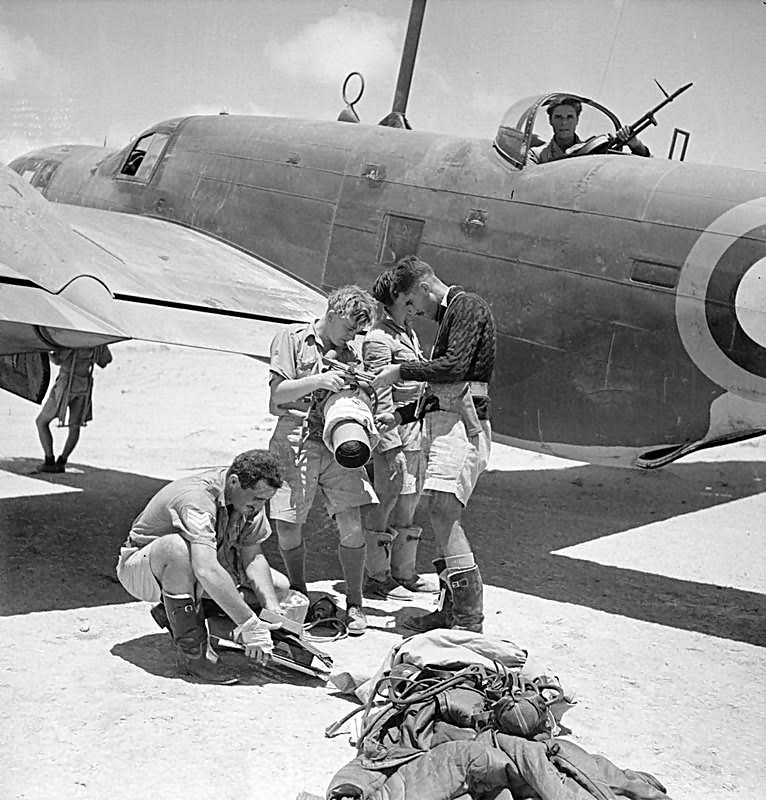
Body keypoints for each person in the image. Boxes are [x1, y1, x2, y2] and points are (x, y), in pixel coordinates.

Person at [372, 256, 496, 634]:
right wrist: (403, 415)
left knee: (443, 510)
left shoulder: (468, 306)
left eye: (412, 303)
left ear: (424, 288)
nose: (414, 312)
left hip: (464, 425)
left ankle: (467, 616)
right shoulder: (452, 315)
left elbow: (454, 369)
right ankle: (451, 608)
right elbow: (446, 387)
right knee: (440, 512)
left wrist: (400, 370)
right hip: (446, 421)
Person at [116, 449, 291, 685]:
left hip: (195, 570)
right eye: (257, 499)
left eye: (266, 500)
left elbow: (254, 558)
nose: (260, 507)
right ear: (233, 482)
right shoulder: (198, 499)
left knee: (278, 587)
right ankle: (195, 657)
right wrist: (249, 624)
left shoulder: (247, 502)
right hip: (142, 568)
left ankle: (175, 612)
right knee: (177, 549)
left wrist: (271, 611)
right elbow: (206, 570)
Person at [267, 285, 378, 636]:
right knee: (288, 525)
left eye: (358, 332)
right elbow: (277, 397)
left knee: (352, 524)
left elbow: (362, 400)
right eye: (348, 328)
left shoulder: (352, 353)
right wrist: (320, 380)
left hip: (337, 442)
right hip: (296, 440)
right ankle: (298, 592)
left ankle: (356, 604)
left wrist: (362, 391)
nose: (352, 337)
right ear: (331, 313)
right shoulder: (292, 339)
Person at [361, 269, 429, 601]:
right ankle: (377, 576)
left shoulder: (407, 334)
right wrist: (391, 447)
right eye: (411, 298)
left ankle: (404, 572)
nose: (417, 305)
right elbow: (379, 395)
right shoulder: (378, 339)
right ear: (399, 298)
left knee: (409, 500)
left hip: (415, 428)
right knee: (386, 500)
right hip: (394, 432)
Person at [35, 344, 112, 473]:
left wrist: (45, 351)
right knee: (74, 426)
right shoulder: (96, 340)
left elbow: (57, 360)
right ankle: (62, 461)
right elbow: (105, 361)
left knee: (41, 422)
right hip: (84, 386)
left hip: (66, 385)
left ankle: (49, 461)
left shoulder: (72, 339)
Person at [530, 95, 650, 164]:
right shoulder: (537, 155)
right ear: (550, 120)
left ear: (577, 120)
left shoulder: (593, 152)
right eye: (558, 117)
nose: (564, 122)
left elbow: (638, 170)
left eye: (570, 117)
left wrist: (636, 145)